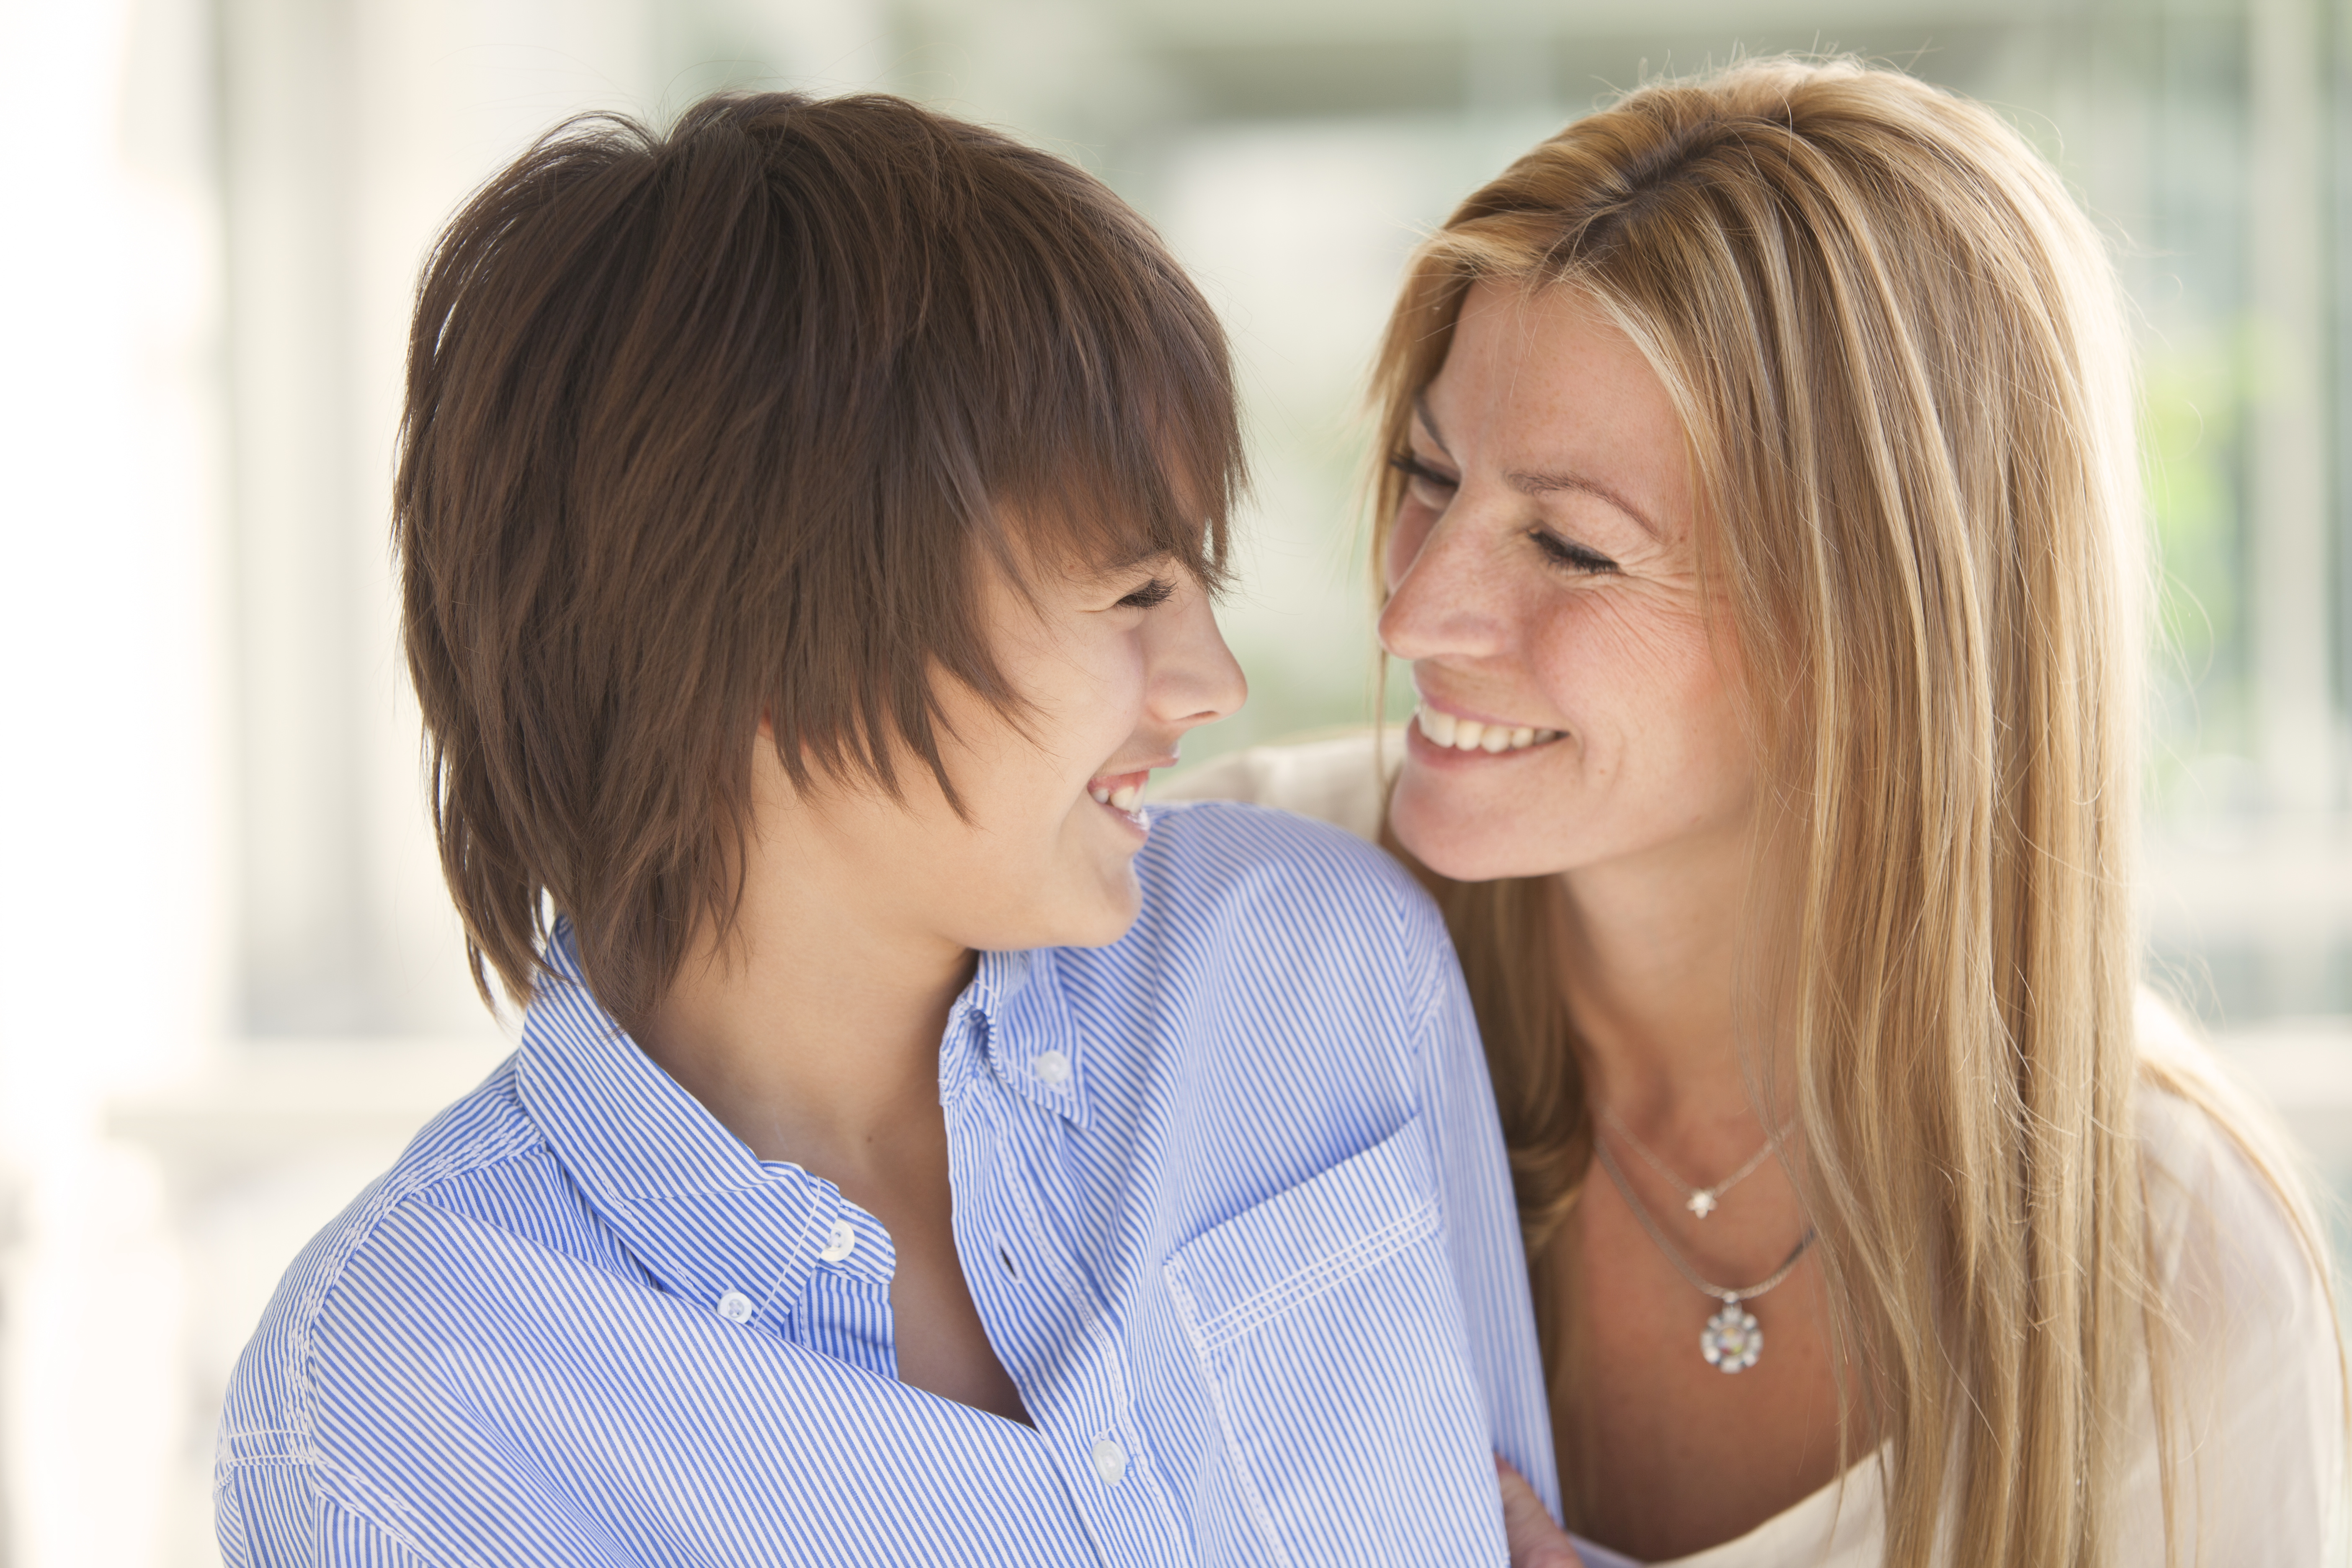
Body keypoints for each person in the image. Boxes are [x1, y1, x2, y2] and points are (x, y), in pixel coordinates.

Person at [213, 91, 1556, 1567]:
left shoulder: (1322, 972)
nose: (1211, 687)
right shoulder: (400, 1415)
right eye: (1133, 596)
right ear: (783, 648)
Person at [1163, 57, 2344, 1568]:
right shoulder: (1210, 923)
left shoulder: (2172, 1272)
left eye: (1573, 550)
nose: (1414, 612)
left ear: (1876, 639)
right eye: (1426, 476)